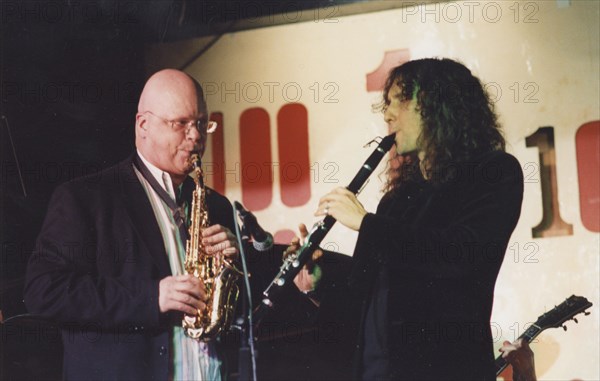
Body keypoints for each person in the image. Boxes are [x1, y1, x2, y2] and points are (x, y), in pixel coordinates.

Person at [291, 58, 524, 380]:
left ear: (433, 104)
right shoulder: (397, 201)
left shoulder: (494, 172)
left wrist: (365, 223)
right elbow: (365, 299)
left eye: (397, 102)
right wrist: (318, 285)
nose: (387, 115)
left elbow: (460, 254)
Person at [24, 69, 240, 380]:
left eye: (201, 124)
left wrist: (233, 273)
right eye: (180, 123)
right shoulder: (85, 198)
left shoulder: (216, 206)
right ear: (143, 125)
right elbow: (43, 290)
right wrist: (150, 298)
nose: (195, 136)